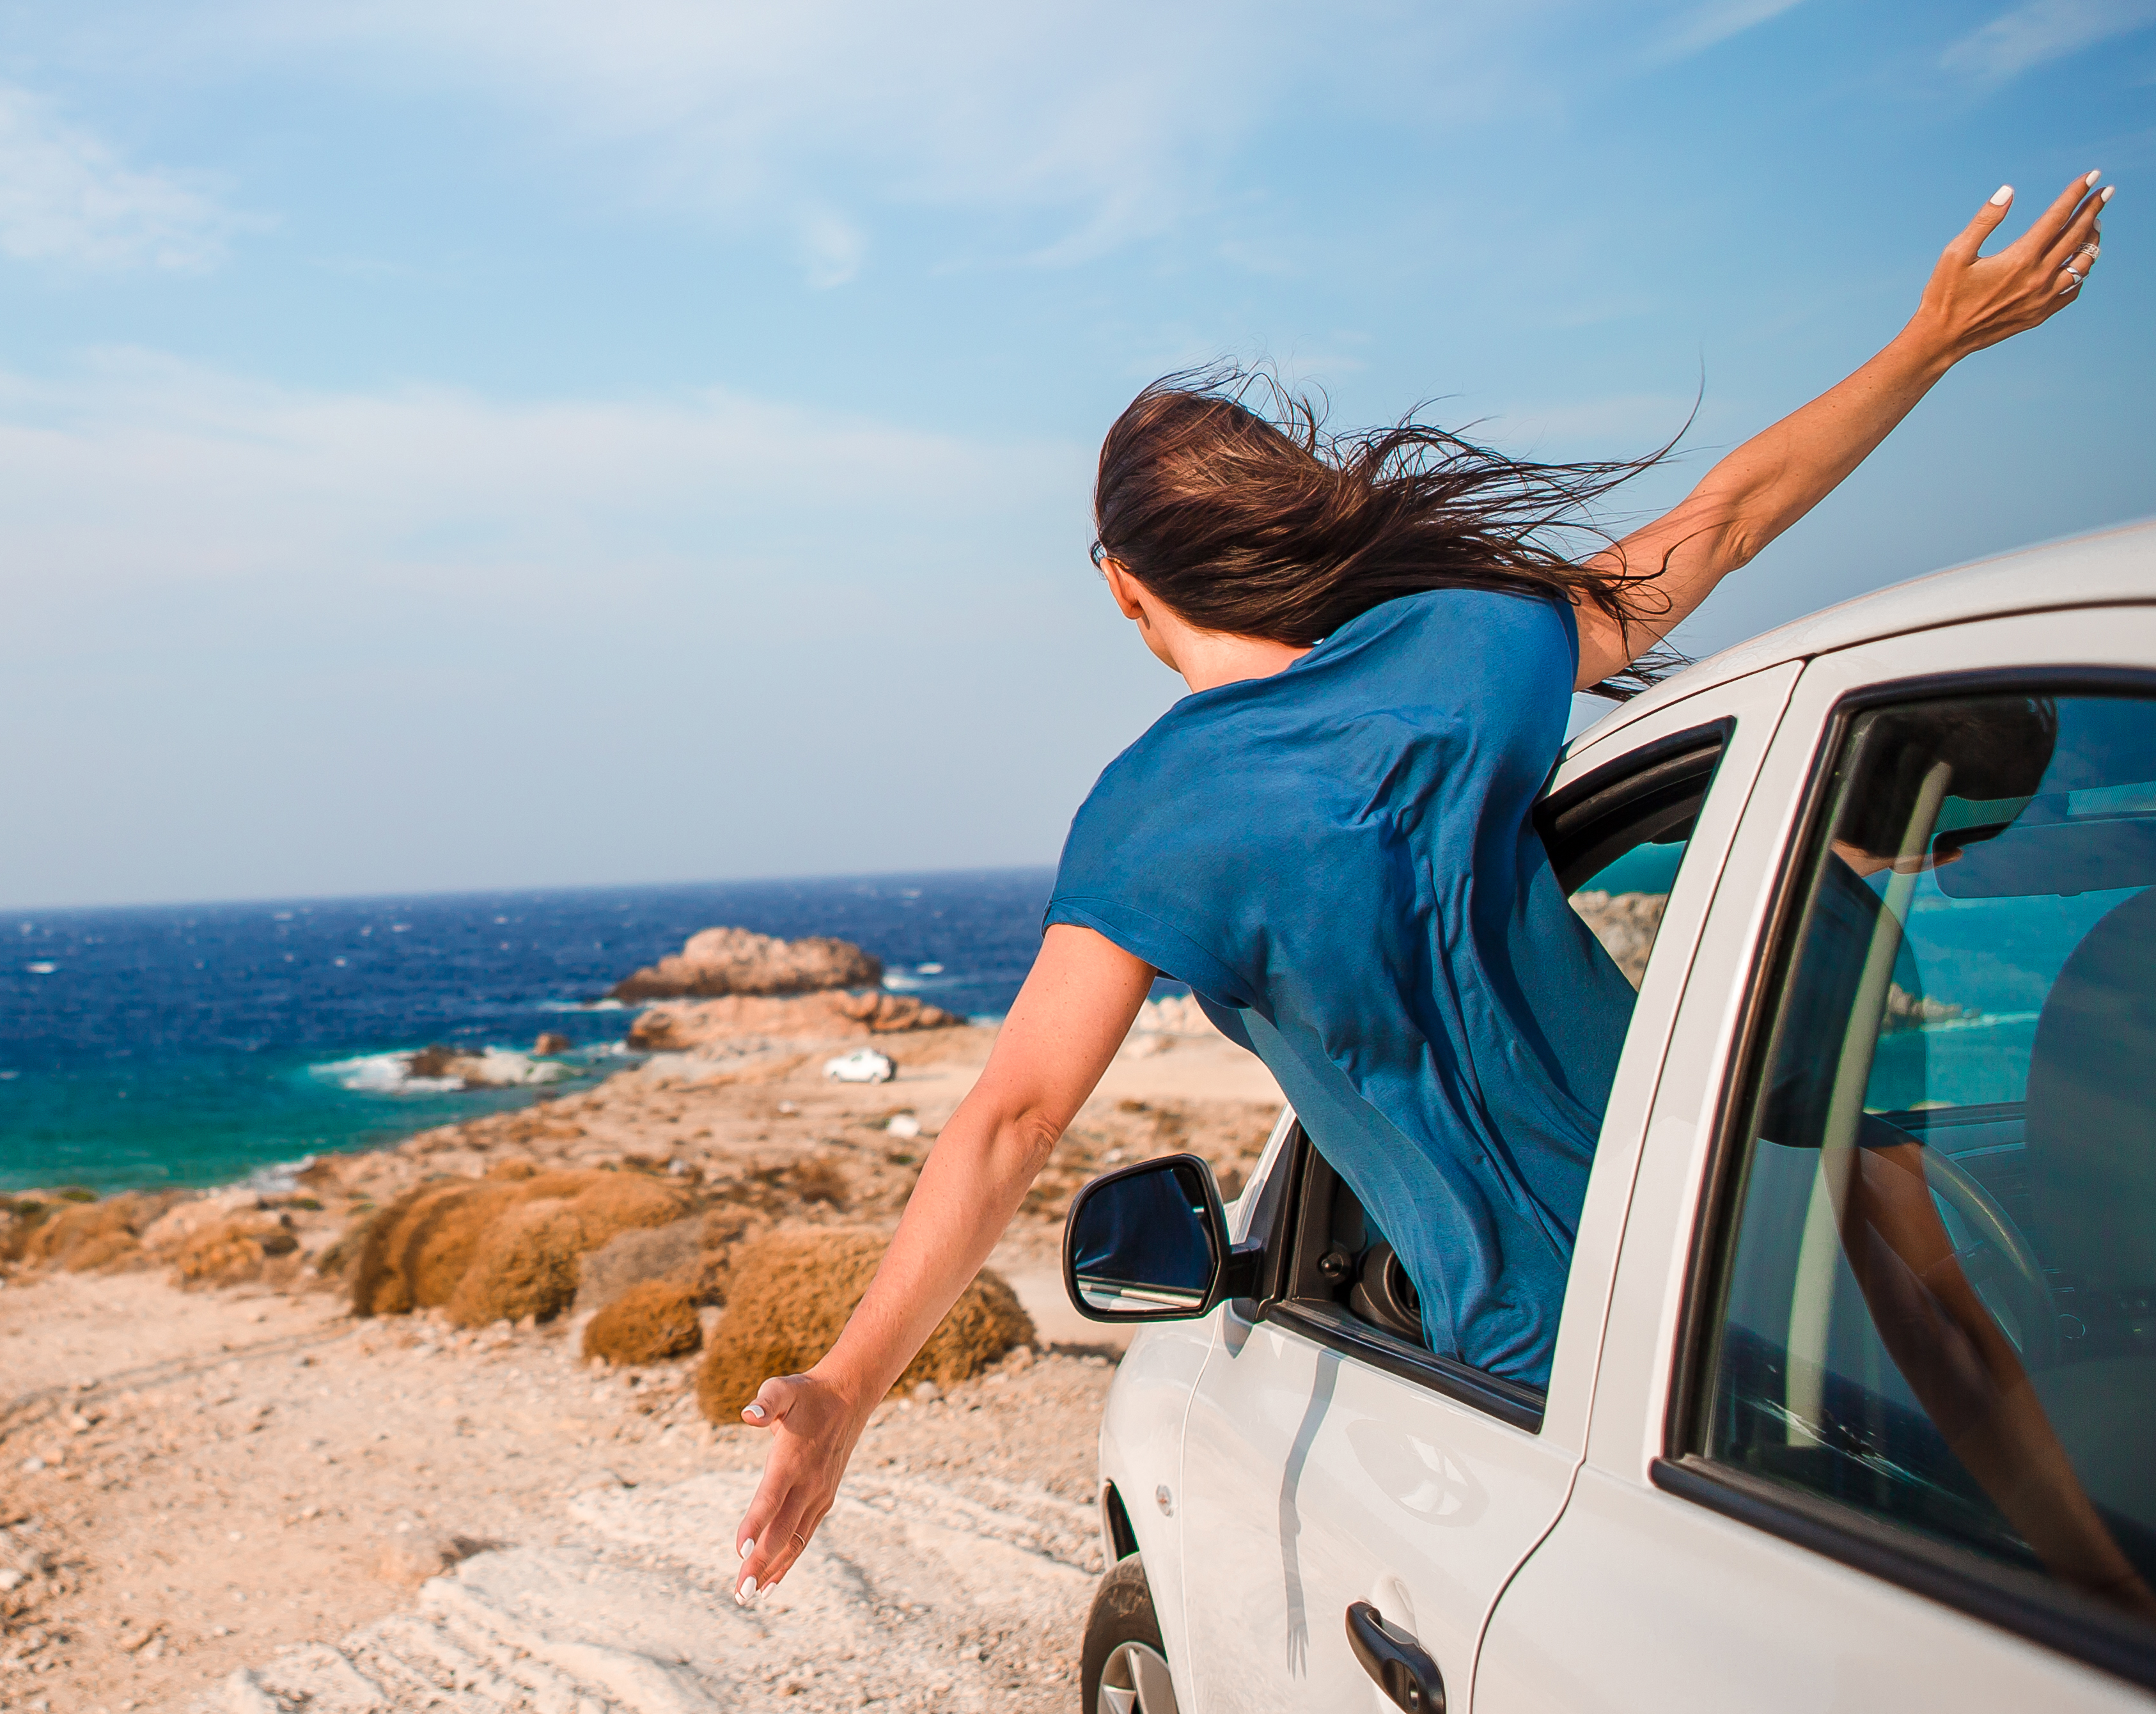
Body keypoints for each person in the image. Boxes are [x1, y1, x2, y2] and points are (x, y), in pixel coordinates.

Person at [727, 169, 2111, 1607]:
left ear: (1125, 584)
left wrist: (848, 1385)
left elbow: (1012, 1120)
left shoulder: (1151, 816)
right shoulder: (1471, 650)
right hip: (1748, 1310)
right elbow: (1728, 519)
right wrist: (1932, 341)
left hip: (1549, 1391)